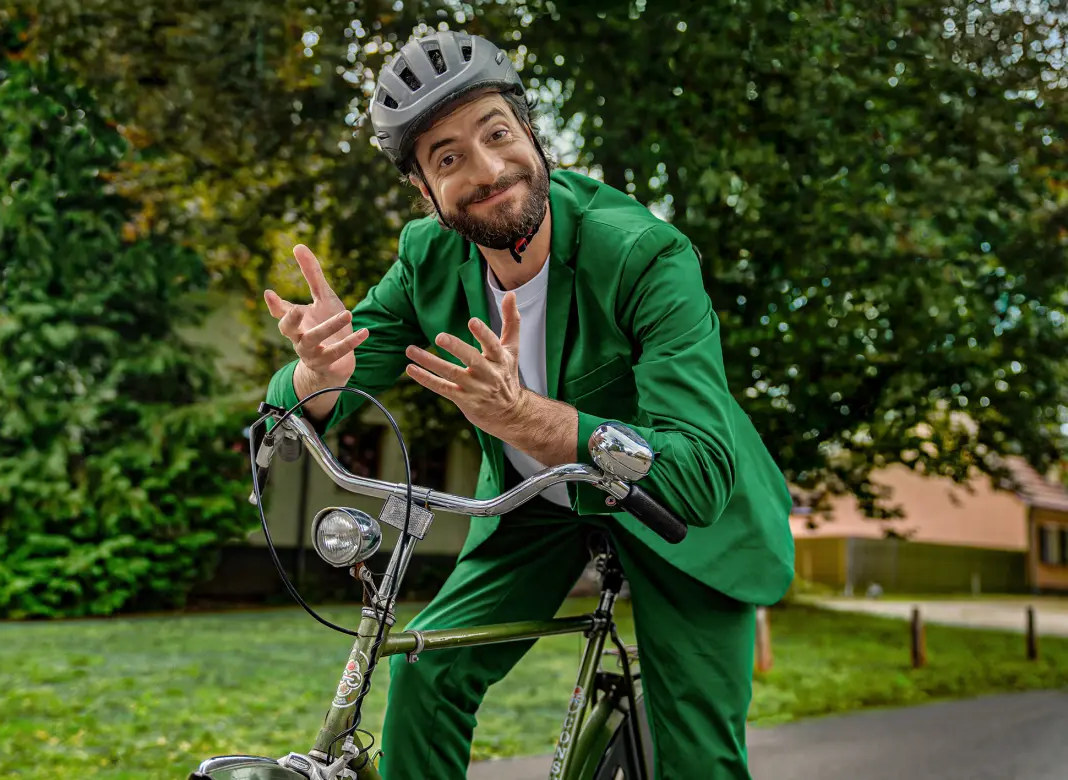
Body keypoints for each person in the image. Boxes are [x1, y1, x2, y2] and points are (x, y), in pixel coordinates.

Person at [262, 29, 795, 780]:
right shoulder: (428, 260)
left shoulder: (643, 254)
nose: (486, 170)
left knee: (699, 760)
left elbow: (701, 471)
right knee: (424, 675)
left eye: (497, 135)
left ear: (532, 136)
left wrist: (526, 418)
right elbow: (308, 400)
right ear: (424, 189)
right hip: (538, 509)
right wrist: (315, 375)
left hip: (680, 515)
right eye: (448, 158)